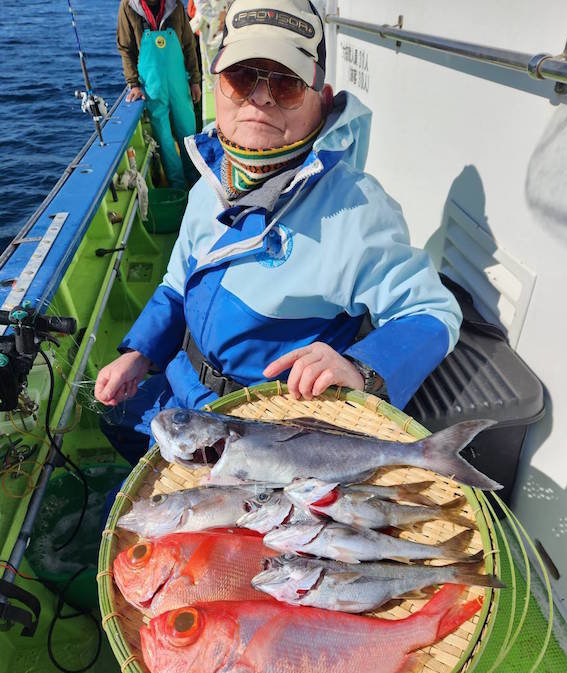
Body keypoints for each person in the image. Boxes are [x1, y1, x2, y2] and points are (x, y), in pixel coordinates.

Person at [96, 0, 462, 463]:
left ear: (322, 101)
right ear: (217, 87)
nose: (260, 97)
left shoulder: (357, 209)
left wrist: (361, 368)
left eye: (287, 84)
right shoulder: (211, 178)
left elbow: (432, 310)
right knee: (108, 417)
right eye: (241, 77)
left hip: (263, 432)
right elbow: (176, 283)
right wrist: (141, 354)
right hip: (181, 388)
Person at [117, 0, 202, 188]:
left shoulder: (175, 5)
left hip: (179, 82)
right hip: (152, 86)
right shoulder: (128, 7)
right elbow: (126, 48)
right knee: (164, 139)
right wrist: (133, 84)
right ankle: (178, 186)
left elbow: (189, 44)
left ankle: (197, 181)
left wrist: (195, 80)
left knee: (188, 132)